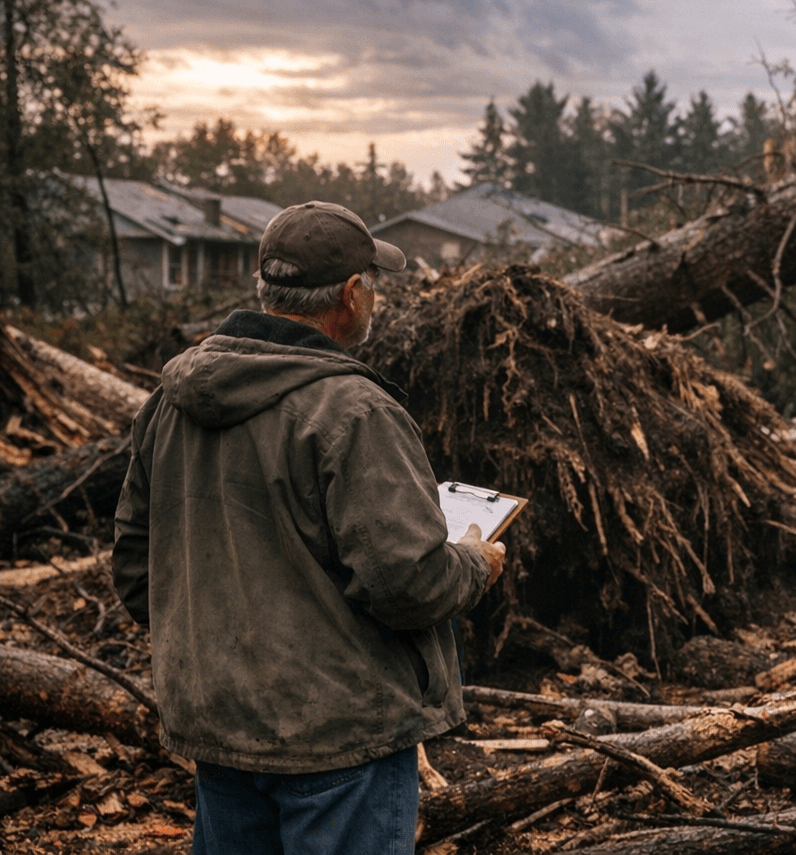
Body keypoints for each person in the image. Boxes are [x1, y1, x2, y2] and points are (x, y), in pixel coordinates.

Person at [113, 200, 509, 855]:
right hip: (341, 739)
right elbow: (409, 583)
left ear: (266, 288)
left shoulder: (168, 405)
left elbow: (135, 574)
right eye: (373, 286)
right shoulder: (354, 411)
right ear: (353, 296)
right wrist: (473, 560)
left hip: (217, 727)